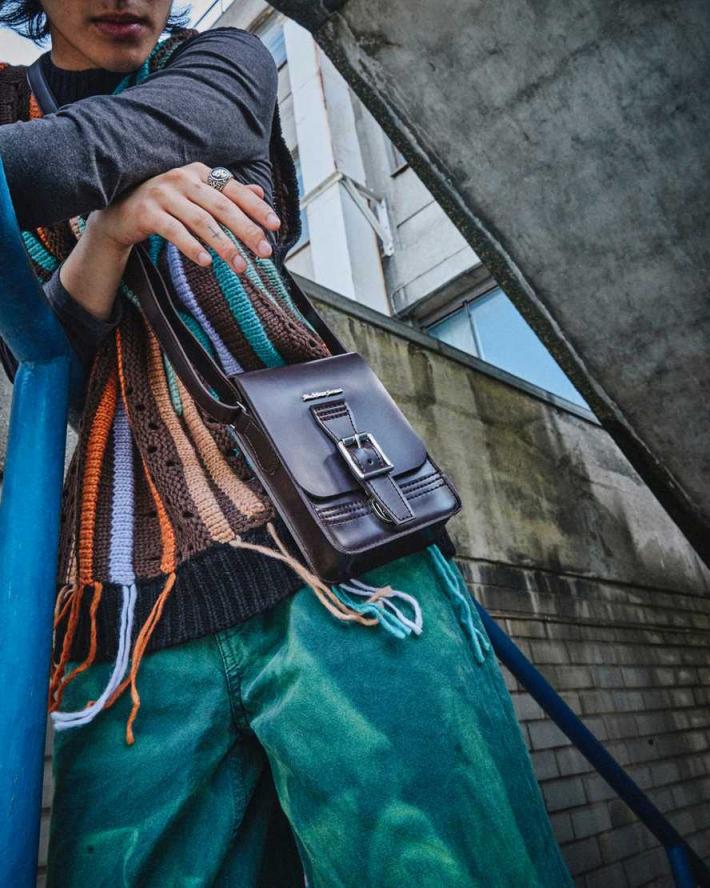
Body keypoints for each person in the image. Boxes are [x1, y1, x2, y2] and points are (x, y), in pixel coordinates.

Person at [0, 2, 573, 885]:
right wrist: (110, 233)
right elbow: (51, 372)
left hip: (342, 545)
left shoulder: (224, 64)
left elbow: (105, 151)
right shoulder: (10, 104)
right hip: (129, 610)